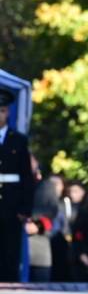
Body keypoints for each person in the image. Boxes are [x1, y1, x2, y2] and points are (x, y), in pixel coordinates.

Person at [0, 89, 34, 282]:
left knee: (10, 247)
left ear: (8, 112)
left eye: (2, 110)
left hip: (11, 201)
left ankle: (9, 284)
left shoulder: (18, 140)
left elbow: (26, 176)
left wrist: (25, 208)